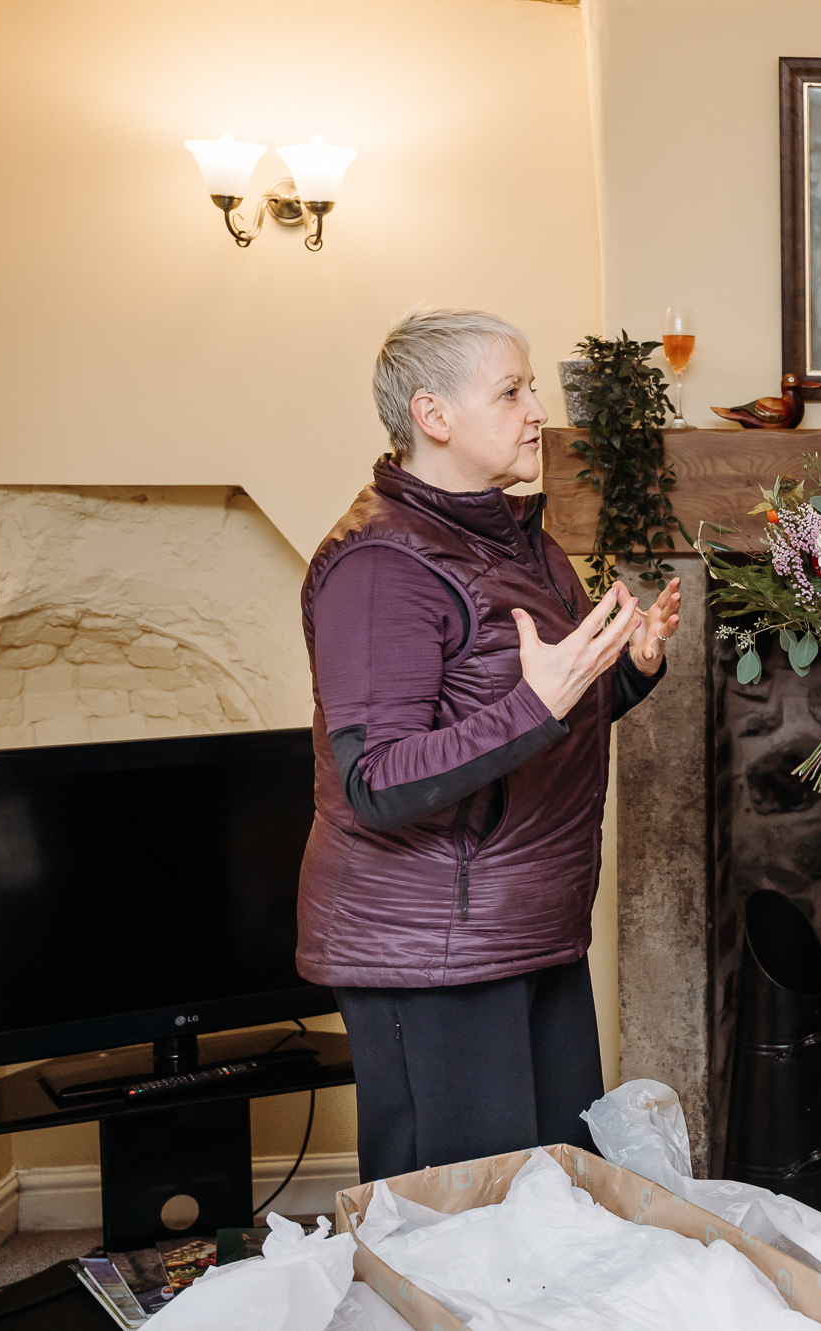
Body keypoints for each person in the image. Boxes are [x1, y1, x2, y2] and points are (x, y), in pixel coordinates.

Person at [296, 309, 681, 1182]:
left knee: (553, 1211)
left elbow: (542, 723)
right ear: (433, 416)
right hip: (430, 951)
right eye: (511, 391)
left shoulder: (524, 541)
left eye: (531, 386)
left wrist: (626, 672)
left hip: (531, 927)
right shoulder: (377, 566)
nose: (538, 409)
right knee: (459, 1238)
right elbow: (378, 779)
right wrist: (540, 699)